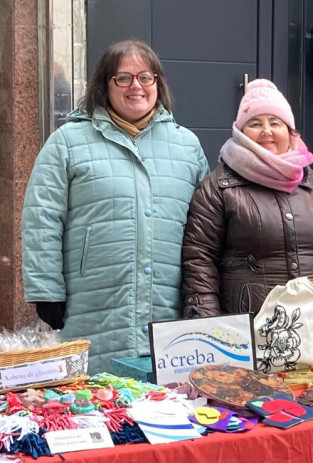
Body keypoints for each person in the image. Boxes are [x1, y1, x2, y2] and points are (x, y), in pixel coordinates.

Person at [22, 40, 210, 373]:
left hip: (168, 314)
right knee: (99, 408)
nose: (136, 86)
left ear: (158, 83)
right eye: (123, 78)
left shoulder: (187, 146)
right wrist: (47, 289)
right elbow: (42, 219)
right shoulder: (67, 142)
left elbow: (206, 230)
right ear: (104, 86)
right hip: (92, 306)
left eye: (146, 77)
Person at [181, 79, 313, 329]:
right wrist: (208, 325)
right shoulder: (217, 188)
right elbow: (200, 259)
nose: (266, 131)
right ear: (241, 133)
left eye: (275, 123)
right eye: (255, 123)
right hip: (250, 332)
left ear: (290, 132)